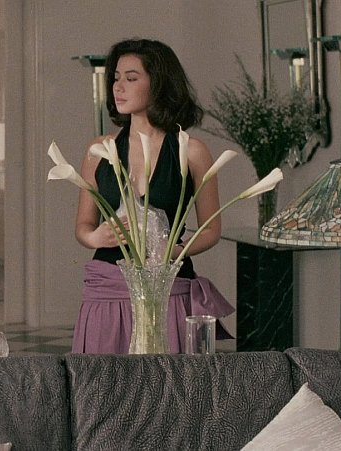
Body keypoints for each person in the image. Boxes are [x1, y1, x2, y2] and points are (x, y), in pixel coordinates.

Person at [71, 38, 234, 354]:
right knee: (104, 381)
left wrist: (174, 252)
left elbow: (212, 229)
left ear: (158, 85)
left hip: (168, 291)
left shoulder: (192, 152)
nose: (119, 87)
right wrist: (95, 237)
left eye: (131, 78)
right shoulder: (98, 150)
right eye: (116, 78)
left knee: (170, 381)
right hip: (107, 293)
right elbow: (83, 226)